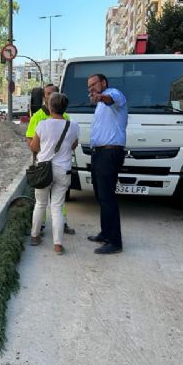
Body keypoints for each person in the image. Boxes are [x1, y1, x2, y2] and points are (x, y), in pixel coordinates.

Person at [29, 93, 79, 254]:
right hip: (63, 170)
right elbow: (73, 146)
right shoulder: (73, 126)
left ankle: (35, 236)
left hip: (44, 170)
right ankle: (57, 245)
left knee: (40, 204)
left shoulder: (42, 125)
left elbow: (34, 147)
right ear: (65, 108)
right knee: (57, 207)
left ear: (50, 107)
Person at [87, 73, 127, 255]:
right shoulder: (100, 106)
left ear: (103, 82)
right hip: (99, 153)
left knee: (108, 198)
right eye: (89, 87)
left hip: (110, 153)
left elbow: (111, 99)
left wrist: (100, 97)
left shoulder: (114, 94)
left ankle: (115, 241)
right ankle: (105, 233)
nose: (92, 89)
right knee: (101, 197)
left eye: (94, 84)